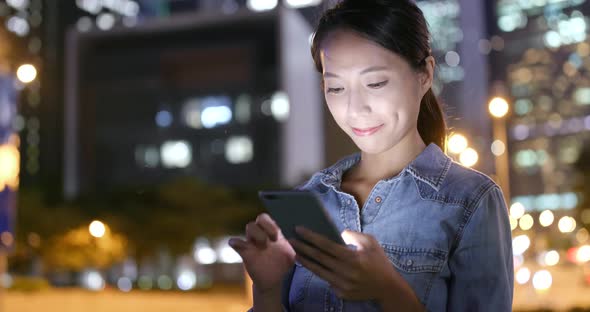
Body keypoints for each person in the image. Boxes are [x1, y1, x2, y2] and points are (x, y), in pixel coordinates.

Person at [228, 0, 514, 311]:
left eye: (375, 83)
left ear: (425, 75)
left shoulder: (469, 201)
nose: (355, 109)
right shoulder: (312, 200)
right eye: (335, 88)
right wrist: (268, 290)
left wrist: (388, 291)